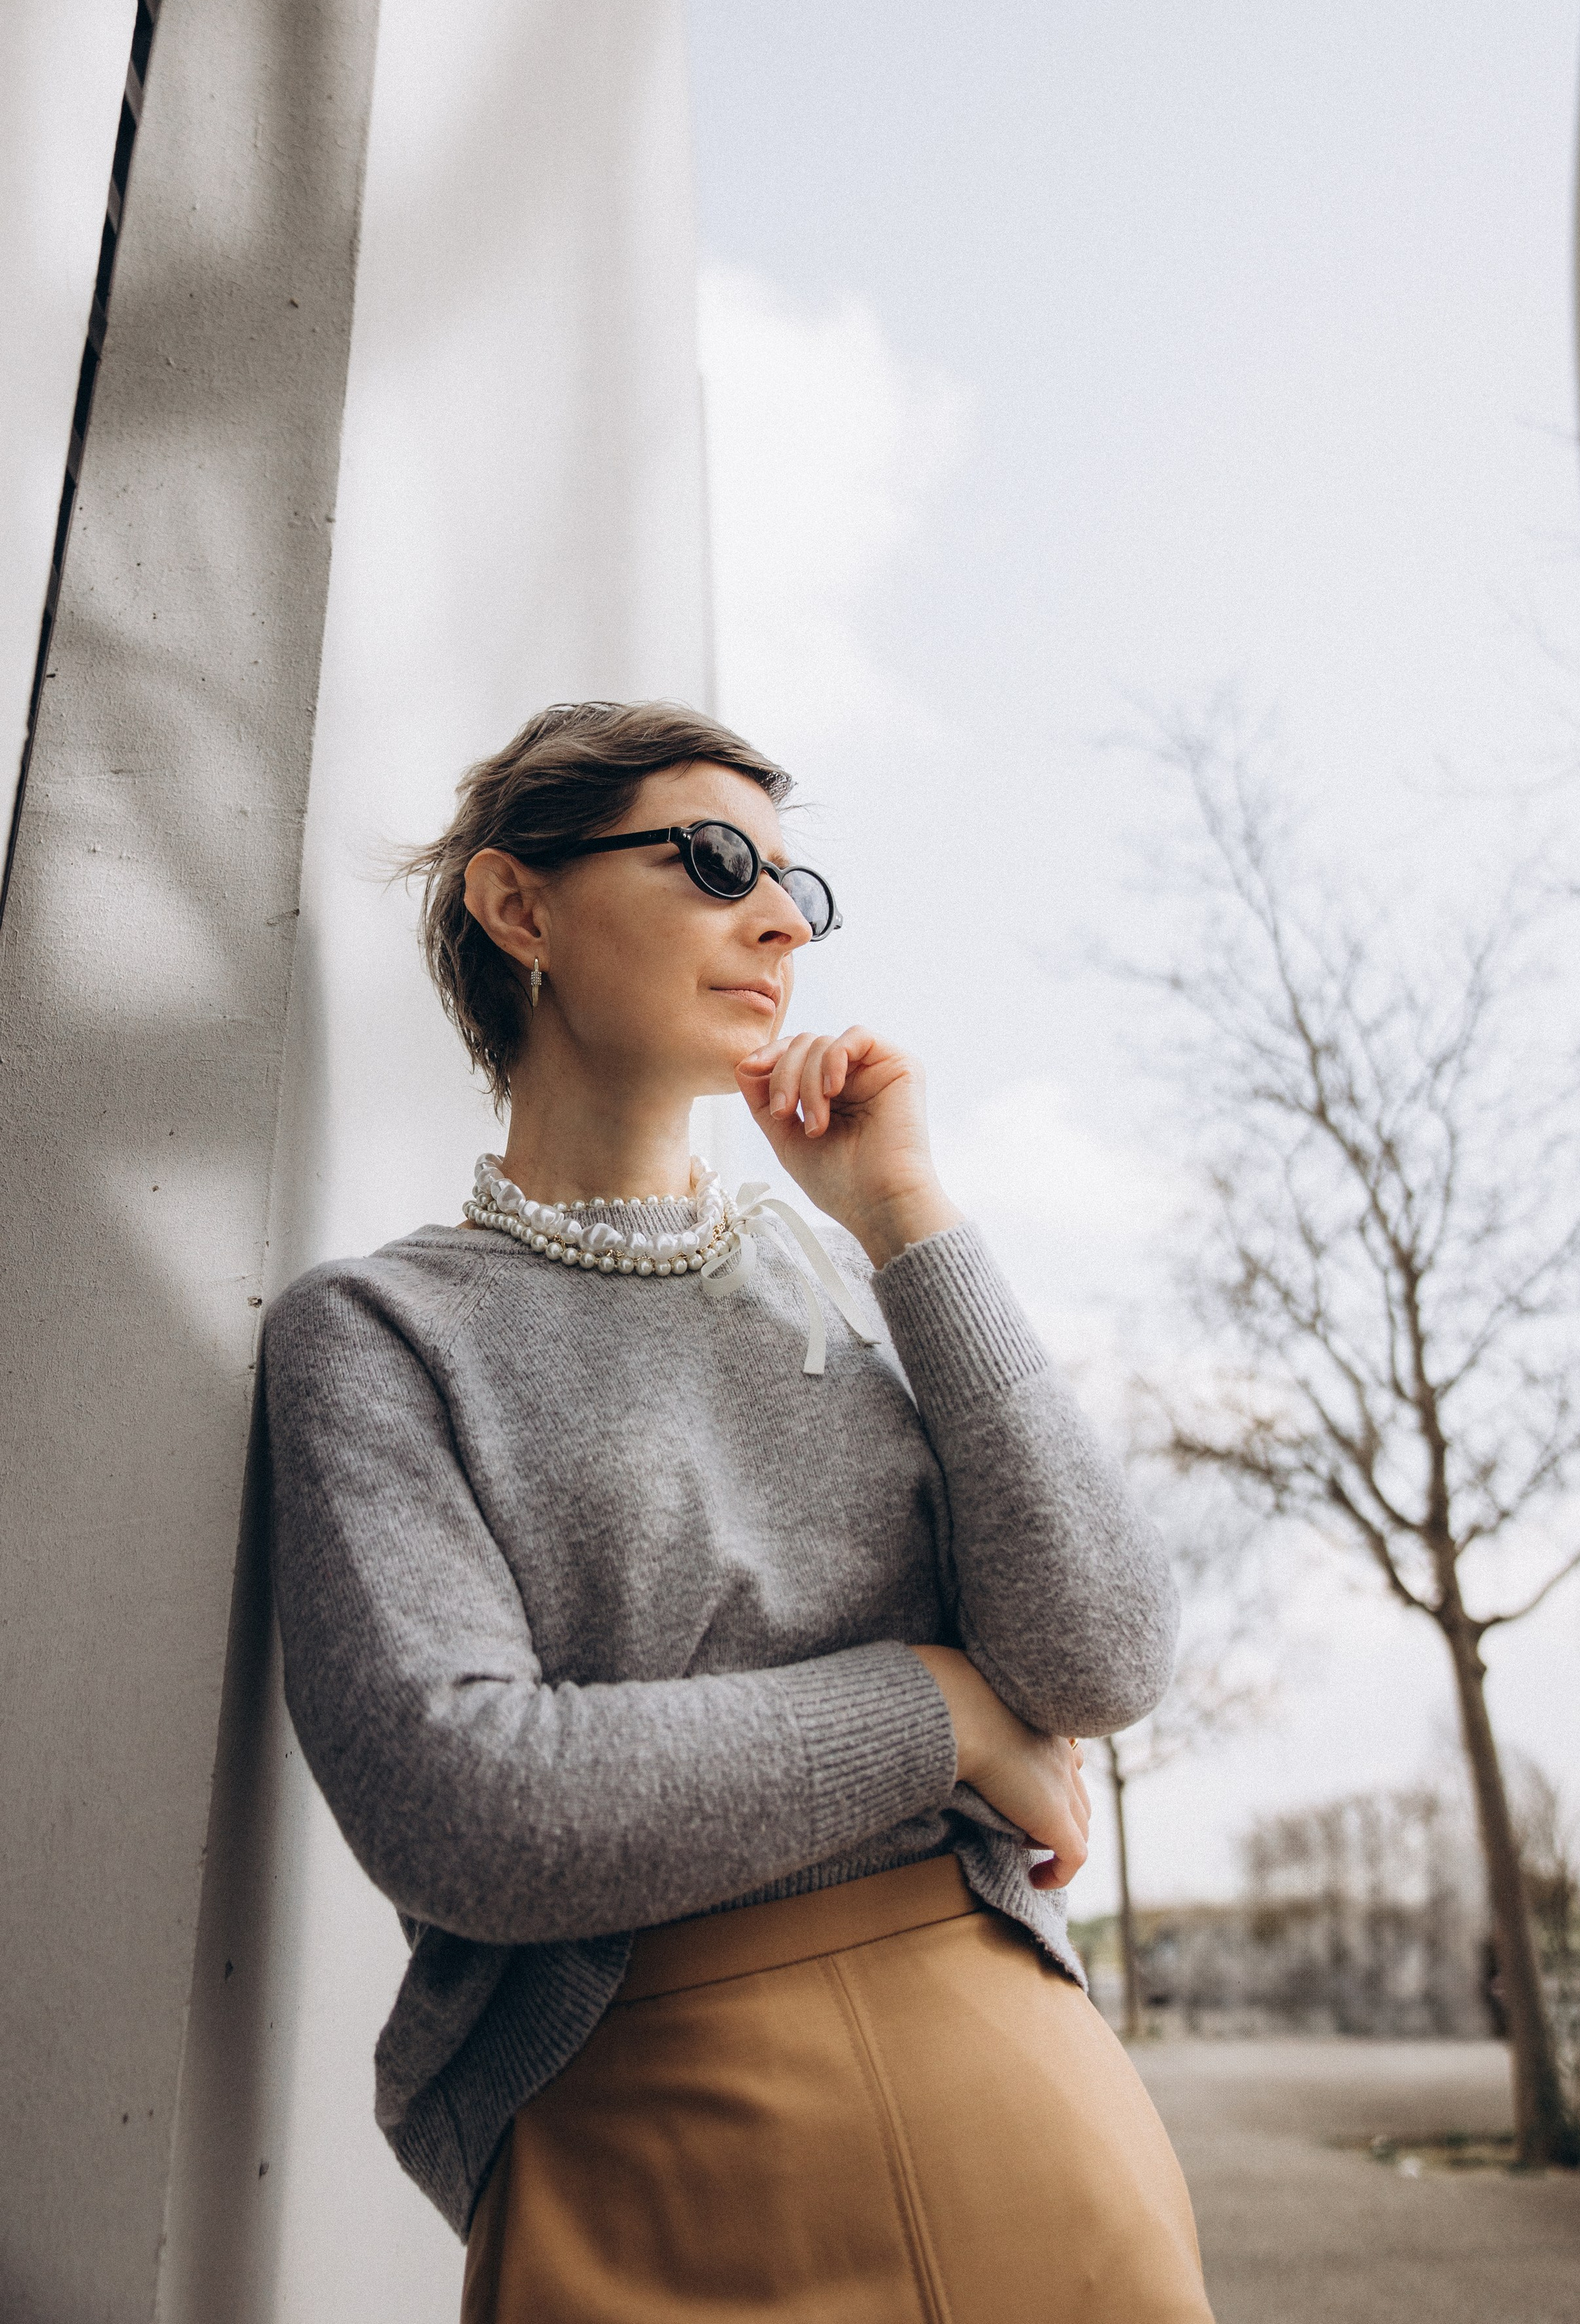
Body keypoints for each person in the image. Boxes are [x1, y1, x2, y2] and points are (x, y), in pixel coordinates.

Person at [263, 698, 1217, 2323]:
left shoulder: (860, 1290)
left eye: (795, 887)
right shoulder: (374, 1333)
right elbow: (468, 1810)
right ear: (520, 908)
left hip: (1021, 2095)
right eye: (714, 864)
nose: (778, 919)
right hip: (639, 2150)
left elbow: (1105, 1657)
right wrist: (935, 1713)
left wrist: (906, 1215)